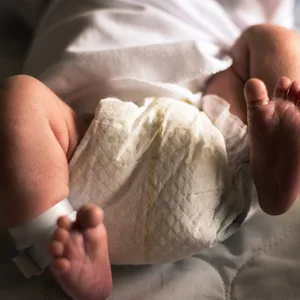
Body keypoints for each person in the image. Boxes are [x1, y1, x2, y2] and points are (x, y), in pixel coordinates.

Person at [1, 18, 300, 300]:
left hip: (216, 132)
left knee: (275, 39)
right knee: (18, 98)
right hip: (78, 143)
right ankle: (58, 240)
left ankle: (271, 162)